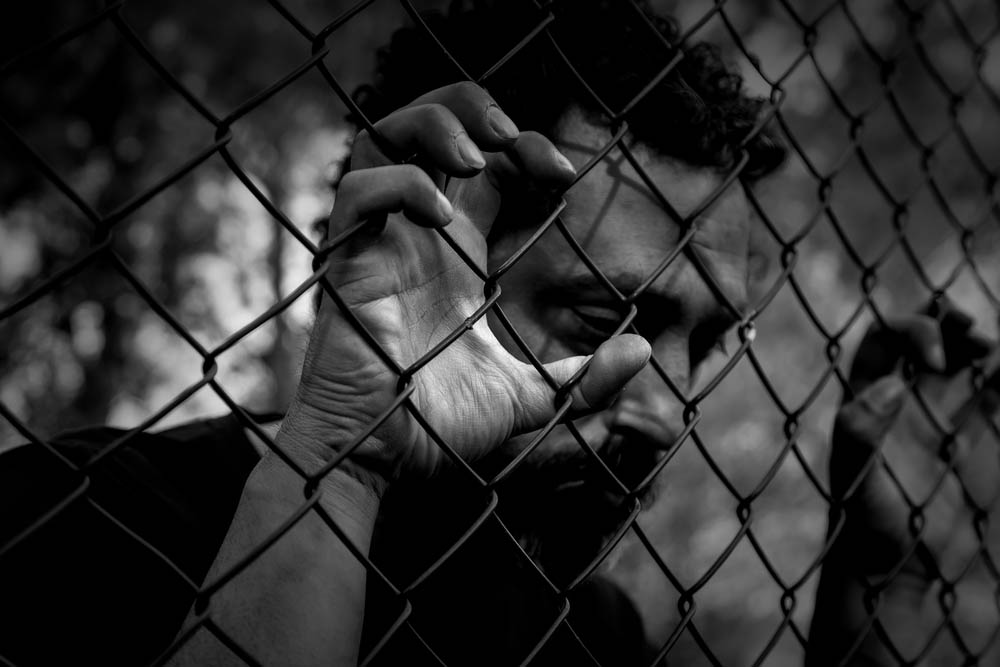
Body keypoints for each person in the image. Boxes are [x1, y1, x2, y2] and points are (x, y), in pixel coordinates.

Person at [2, 1, 997, 665]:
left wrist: (889, 581)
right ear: (427, 245)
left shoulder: (587, 634)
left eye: (709, 342)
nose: (665, 411)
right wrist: (342, 458)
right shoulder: (79, 527)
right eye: (602, 317)